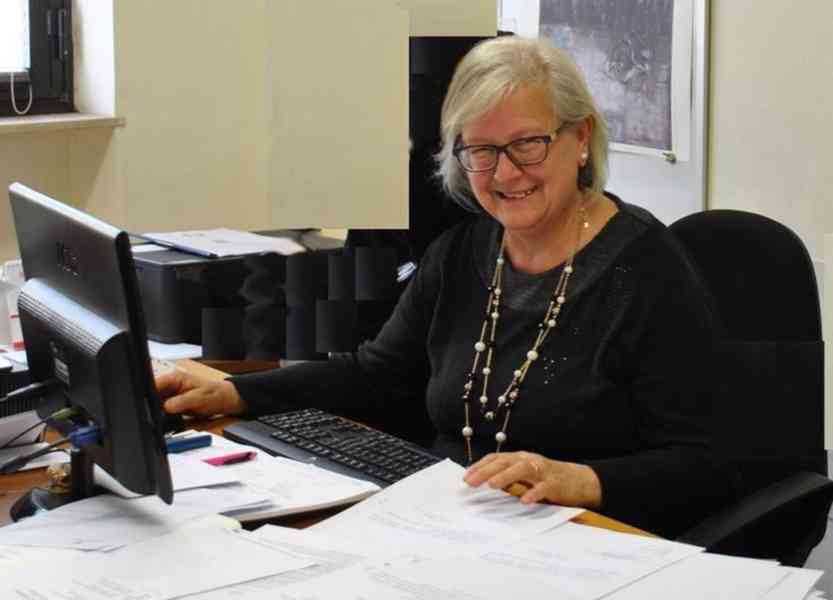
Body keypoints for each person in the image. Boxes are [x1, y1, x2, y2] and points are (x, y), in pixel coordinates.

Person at [157, 36, 739, 537]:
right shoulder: (464, 250)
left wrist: (579, 479)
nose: (505, 172)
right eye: (481, 150)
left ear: (580, 137)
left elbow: (708, 464)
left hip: (584, 539)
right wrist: (234, 394)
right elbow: (376, 373)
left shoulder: (646, 269)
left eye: (528, 144)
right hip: (446, 522)